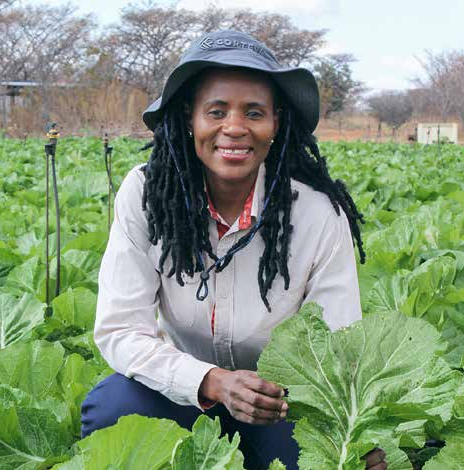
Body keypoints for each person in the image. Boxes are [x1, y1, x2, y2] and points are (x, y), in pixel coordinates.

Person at [81, 30, 386, 470]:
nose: (235, 128)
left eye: (255, 112)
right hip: (181, 392)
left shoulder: (319, 214)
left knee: (333, 459)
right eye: (216, 111)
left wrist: (361, 436)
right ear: (190, 118)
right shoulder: (147, 195)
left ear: (276, 123)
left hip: (280, 405)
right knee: (113, 407)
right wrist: (212, 382)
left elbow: (340, 345)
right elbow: (121, 331)